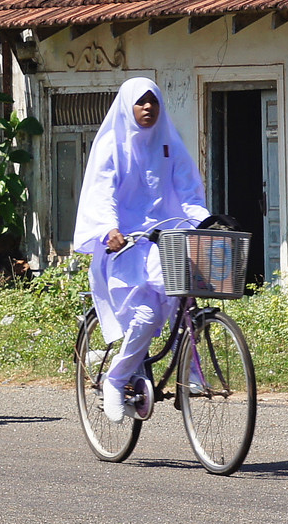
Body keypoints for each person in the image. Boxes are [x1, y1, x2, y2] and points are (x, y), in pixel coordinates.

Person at [71, 77, 209, 423]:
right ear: (127, 107)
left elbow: (189, 191)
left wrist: (204, 222)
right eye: (140, 102)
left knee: (183, 298)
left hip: (166, 241)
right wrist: (108, 229)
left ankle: (190, 368)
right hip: (127, 246)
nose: (148, 107)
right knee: (145, 317)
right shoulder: (112, 146)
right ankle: (115, 379)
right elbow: (102, 193)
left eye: (154, 102)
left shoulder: (169, 144)